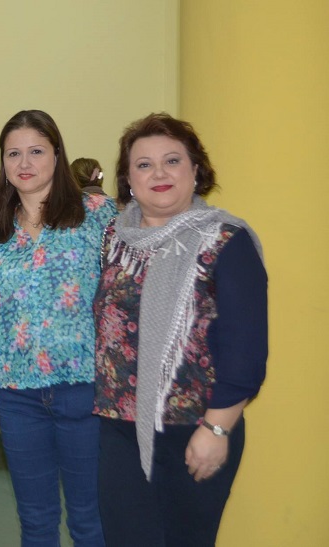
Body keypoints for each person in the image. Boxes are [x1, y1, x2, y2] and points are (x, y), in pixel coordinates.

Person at [93, 112, 267, 546]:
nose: (159, 174)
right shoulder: (115, 238)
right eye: (144, 164)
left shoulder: (226, 240)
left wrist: (217, 430)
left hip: (195, 429)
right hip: (119, 428)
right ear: (128, 179)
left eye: (172, 161)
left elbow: (245, 349)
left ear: (196, 170)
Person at [0, 110, 115, 547]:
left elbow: (124, 295)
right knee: (36, 521)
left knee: (90, 520)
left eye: (36, 151)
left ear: (57, 155)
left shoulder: (98, 214)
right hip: (18, 394)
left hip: (85, 389)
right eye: (13, 154)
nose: (25, 163)